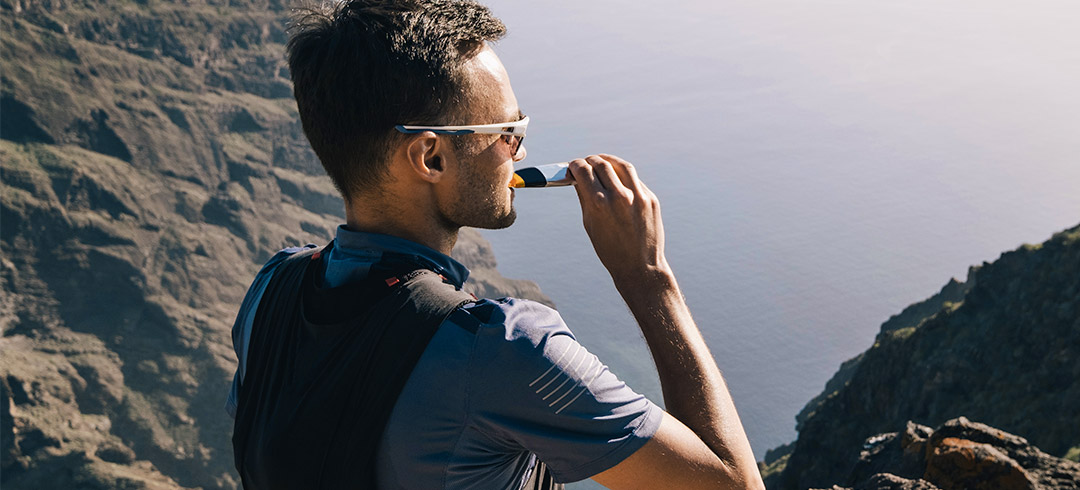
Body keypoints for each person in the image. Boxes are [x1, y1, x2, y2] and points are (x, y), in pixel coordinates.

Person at [225, 0, 765, 488]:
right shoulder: (503, 348)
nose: (519, 149)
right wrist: (648, 278)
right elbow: (733, 486)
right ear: (430, 157)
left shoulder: (271, 289)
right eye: (507, 129)